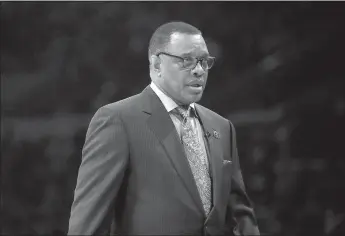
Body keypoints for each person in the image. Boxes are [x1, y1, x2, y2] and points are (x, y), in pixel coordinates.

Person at [68, 21, 260, 236]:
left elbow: (239, 215)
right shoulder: (118, 120)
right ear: (157, 64)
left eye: (203, 61)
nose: (198, 70)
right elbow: (88, 223)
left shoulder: (222, 127)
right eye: (187, 60)